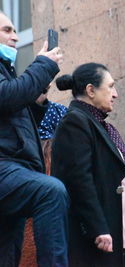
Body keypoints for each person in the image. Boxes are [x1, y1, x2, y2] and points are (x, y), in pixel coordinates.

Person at [51, 63, 125, 266]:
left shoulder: (98, 124)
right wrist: (98, 227)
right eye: (110, 87)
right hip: (96, 237)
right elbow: (79, 179)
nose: (116, 94)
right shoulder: (75, 121)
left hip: (114, 232)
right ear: (91, 90)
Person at [0, 11, 68, 267]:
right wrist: (43, 65)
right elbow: (7, 97)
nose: (15, 37)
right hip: (5, 168)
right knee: (50, 191)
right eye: (7, 30)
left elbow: (14, 117)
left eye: (16, 30)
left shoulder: (6, 71)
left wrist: (36, 99)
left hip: (13, 170)